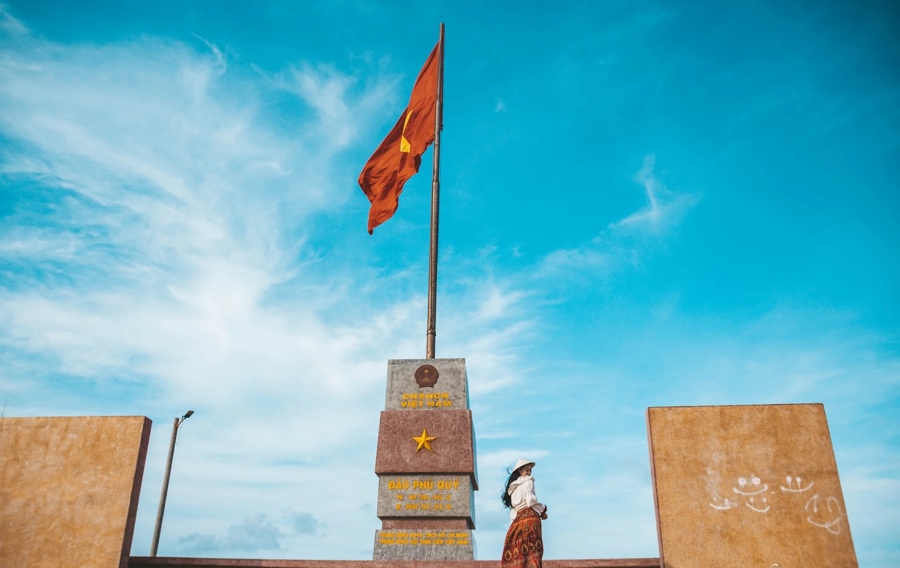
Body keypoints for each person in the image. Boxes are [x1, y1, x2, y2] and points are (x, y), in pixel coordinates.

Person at [500, 458, 548, 568]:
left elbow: (514, 508)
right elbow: (531, 500)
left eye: (530, 470)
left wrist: (513, 522)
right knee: (534, 548)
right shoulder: (528, 481)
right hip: (530, 518)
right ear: (520, 471)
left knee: (519, 549)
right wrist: (542, 511)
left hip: (518, 520)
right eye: (526, 470)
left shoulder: (512, 488)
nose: (529, 473)